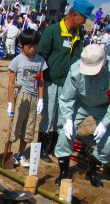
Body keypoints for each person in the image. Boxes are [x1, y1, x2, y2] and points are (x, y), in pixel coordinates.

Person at [37, 0, 94, 164]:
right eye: (84, 18)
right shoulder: (52, 31)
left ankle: (54, 146)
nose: (85, 21)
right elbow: (41, 56)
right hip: (50, 81)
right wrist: (41, 80)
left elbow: (77, 55)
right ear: (74, 15)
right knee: (48, 115)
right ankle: (42, 148)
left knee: (62, 117)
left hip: (68, 83)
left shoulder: (79, 33)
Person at [54, 44, 110, 188]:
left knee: (108, 141)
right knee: (65, 133)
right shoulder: (75, 70)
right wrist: (67, 120)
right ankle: (64, 171)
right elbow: (66, 98)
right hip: (81, 103)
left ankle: (92, 170)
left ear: (104, 63)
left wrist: (105, 123)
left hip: (104, 107)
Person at [7, 29, 48, 167]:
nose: (32, 49)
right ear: (21, 45)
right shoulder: (17, 61)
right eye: (29, 46)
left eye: (35, 46)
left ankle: (20, 154)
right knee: (15, 127)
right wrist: (10, 102)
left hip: (34, 98)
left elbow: (41, 81)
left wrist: (41, 99)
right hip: (21, 97)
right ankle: (8, 153)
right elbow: (11, 83)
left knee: (29, 128)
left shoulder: (40, 60)